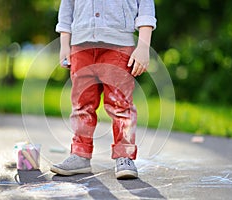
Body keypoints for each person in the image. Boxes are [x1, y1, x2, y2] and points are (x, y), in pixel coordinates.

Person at [50, 0, 157, 179]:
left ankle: (125, 156)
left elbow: (146, 5)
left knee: (121, 105)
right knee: (81, 105)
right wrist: (64, 44)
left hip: (119, 47)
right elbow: (67, 6)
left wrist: (144, 46)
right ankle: (80, 154)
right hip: (80, 46)